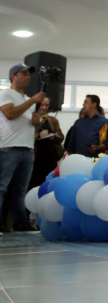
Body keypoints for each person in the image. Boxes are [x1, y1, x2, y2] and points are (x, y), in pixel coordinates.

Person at [0, 64, 45, 233]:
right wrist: (32, 101)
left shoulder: (26, 99)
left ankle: (20, 223)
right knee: (2, 188)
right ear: (13, 76)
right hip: (9, 147)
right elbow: (10, 114)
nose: (28, 77)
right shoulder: (5, 94)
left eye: (29, 74)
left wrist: (36, 122)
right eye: (24, 74)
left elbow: (29, 125)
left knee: (20, 190)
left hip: (27, 147)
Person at [30, 96, 64, 189]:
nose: (44, 108)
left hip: (50, 157)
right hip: (35, 156)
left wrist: (53, 137)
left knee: (48, 181)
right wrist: (38, 135)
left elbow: (61, 137)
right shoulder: (30, 118)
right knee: (33, 182)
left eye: (46, 105)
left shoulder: (53, 120)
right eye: (42, 105)